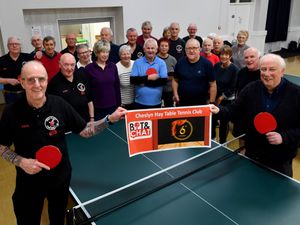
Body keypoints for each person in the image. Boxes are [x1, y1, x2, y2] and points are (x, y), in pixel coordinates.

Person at [0, 60, 126, 225]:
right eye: (31, 79)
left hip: (60, 179)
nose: (37, 84)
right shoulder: (11, 112)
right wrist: (21, 161)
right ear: (22, 82)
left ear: (46, 80)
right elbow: (2, 147)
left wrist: (109, 119)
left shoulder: (59, 104)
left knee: (58, 220)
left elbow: (85, 131)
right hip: (28, 182)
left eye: (41, 79)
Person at [210, 53, 300, 177]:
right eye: (263, 69)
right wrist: (219, 110)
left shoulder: (296, 94)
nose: (267, 73)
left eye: (272, 69)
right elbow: (234, 110)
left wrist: (284, 137)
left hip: (280, 160)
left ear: (282, 71)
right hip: (253, 153)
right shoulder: (251, 89)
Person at [47, 53, 94, 122]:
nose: (69, 68)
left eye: (72, 65)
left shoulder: (82, 76)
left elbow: (89, 100)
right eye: (66, 65)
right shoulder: (53, 84)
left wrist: (92, 118)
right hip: (67, 126)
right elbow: (52, 109)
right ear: (60, 65)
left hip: (85, 122)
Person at [173, 39, 216, 106]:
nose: (191, 51)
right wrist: (175, 94)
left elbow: (213, 84)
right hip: (182, 103)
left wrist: (211, 102)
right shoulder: (180, 62)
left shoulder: (207, 64)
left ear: (199, 49)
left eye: (194, 48)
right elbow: (175, 80)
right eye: (188, 48)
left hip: (201, 104)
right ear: (185, 50)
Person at [85, 40, 121, 119]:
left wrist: (118, 106)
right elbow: (87, 91)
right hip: (97, 109)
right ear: (97, 53)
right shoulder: (89, 68)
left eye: (107, 52)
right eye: (102, 52)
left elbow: (117, 87)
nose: (105, 54)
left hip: (112, 107)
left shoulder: (113, 66)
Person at [232, 47, 261, 139]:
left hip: (257, 116)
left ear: (259, 58)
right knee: (242, 140)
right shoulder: (241, 72)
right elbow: (237, 92)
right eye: (246, 57)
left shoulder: (264, 74)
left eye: (252, 57)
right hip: (242, 115)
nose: (249, 60)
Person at [131, 38, 168, 109]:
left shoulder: (161, 63)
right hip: (139, 103)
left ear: (156, 50)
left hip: (156, 103)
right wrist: (149, 77)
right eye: (148, 48)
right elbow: (133, 80)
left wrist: (142, 81)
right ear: (144, 49)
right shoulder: (137, 62)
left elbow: (163, 81)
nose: (150, 50)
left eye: (152, 48)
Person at [213, 45, 238, 143]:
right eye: (222, 54)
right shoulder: (216, 66)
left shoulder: (235, 69)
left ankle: (223, 142)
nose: (224, 56)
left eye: (226, 54)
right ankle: (213, 138)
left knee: (224, 122)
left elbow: (233, 87)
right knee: (213, 120)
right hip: (216, 98)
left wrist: (221, 97)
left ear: (230, 56)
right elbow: (213, 82)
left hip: (228, 100)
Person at [0, 36, 33, 104]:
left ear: (20, 46)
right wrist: (8, 81)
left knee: (28, 112)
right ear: (8, 46)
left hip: (26, 92)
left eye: (16, 44)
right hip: (9, 94)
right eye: (11, 44)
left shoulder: (28, 57)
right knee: (12, 113)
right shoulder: (1, 60)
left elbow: (35, 73)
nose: (14, 46)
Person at [157, 37, 177, 107]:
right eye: (162, 46)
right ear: (158, 47)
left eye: (166, 46)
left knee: (169, 110)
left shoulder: (173, 59)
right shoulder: (154, 59)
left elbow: (176, 75)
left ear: (169, 47)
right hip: (157, 90)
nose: (164, 48)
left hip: (170, 90)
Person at [116, 45, 135, 110]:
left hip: (136, 102)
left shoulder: (135, 64)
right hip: (123, 104)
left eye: (128, 53)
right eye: (123, 54)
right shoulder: (116, 67)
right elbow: (115, 87)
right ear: (120, 55)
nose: (126, 56)